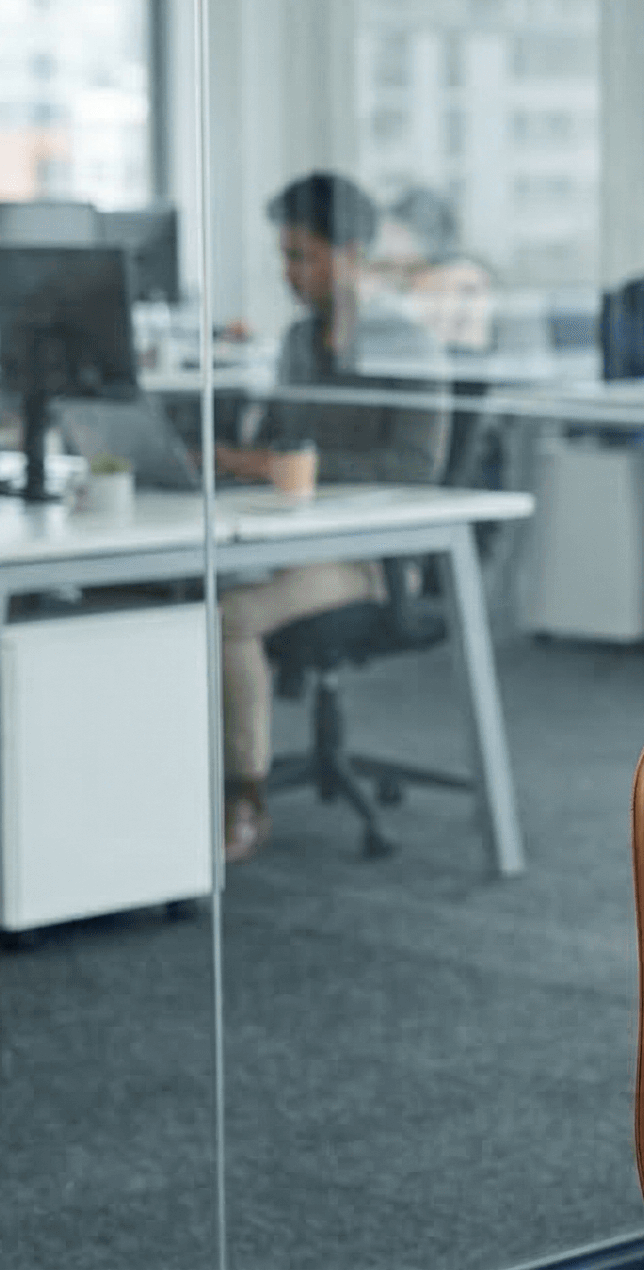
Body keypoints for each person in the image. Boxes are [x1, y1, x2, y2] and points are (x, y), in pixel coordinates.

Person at [216, 171, 449, 863]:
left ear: (349, 253)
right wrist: (243, 456)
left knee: (229, 615)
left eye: (301, 256)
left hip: (370, 560)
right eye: (283, 256)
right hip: (291, 539)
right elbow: (287, 445)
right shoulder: (297, 341)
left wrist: (285, 465)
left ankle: (244, 798)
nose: (288, 273)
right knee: (168, 594)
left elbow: (415, 470)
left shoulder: (401, 343)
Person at [370, 185, 496, 355]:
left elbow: (444, 338)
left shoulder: (461, 277)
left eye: (396, 233)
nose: (388, 243)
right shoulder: (407, 276)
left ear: (426, 235)